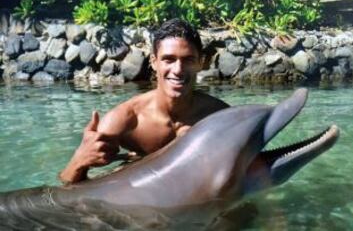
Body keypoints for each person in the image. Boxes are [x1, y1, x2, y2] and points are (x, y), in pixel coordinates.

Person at [59, 18, 229, 184]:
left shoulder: (218, 116)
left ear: (201, 63)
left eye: (188, 60)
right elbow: (67, 185)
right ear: (154, 62)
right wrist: (79, 160)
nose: (178, 70)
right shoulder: (127, 119)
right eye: (168, 59)